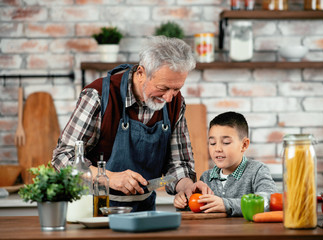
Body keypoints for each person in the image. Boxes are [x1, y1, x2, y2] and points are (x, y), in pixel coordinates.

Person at [52, 36, 210, 212]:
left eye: (177, 89)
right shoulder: (98, 96)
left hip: (144, 209)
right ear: (141, 73)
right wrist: (109, 177)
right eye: (163, 88)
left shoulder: (175, 102)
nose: (168, 97)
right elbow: (63, 157)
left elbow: (179, 162)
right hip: (92, 209)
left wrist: (186, 186)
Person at [174, 111, 277, 216]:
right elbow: (197, 210)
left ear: (244, 145)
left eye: (226, 142)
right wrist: (184, 203)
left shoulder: (257, 170)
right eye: (212, 143)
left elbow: (269, 200)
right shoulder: (206, 178)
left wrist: (226, 205)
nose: (217, 149)